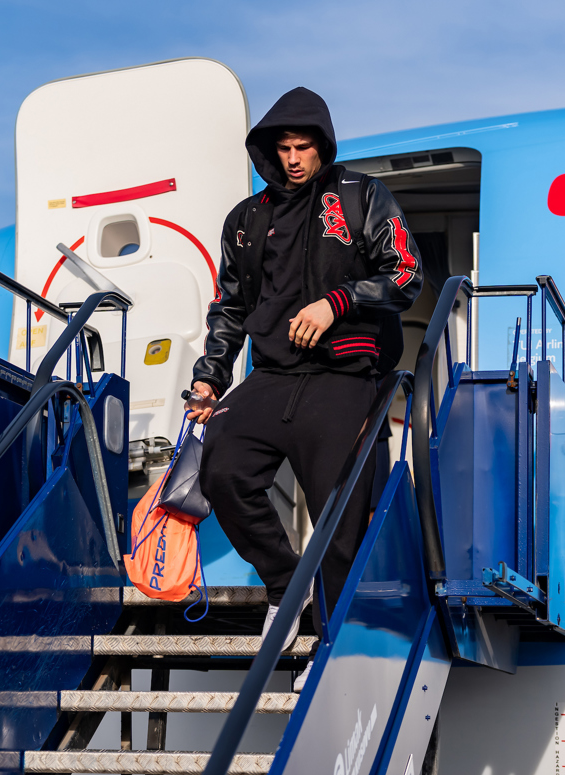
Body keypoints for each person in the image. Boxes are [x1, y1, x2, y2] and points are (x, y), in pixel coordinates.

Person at [188, 87, 423, 690]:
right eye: (284, 149)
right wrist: (210, 377)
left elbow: (406, 274)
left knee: (338, 520)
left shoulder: (361, 195)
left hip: (345, 374)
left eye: (303, 147)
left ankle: (333, 650)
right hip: (272, 374)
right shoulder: (245, 220)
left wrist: (337, 302)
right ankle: (285, 586)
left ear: (322, 145)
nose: (293, 159)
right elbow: (230, 307)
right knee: (221, 470)